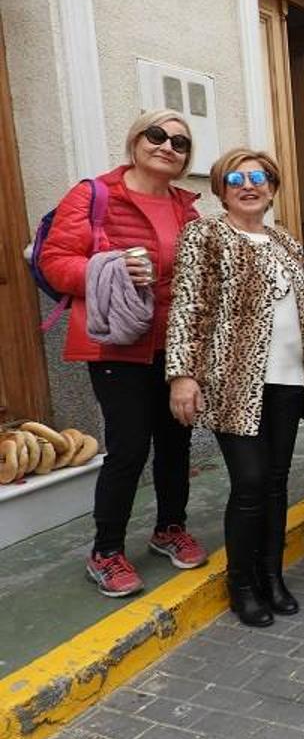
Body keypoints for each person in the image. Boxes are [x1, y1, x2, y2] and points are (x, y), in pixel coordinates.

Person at [167, 148, 304, 626]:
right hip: (235, 383)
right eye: (236, 178)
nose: (248, 185)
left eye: (259, 178)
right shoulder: (206, 233)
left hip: (288, 380)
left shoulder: (284, 241)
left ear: (272, 187)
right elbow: (189, 306)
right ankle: (242, 584)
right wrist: (183, 375)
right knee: (249, 483)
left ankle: (272, 577)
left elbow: (301, 309)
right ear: (221, 187)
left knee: (274, 483)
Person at [40, 109, 207, 598]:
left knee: (176, 442)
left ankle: (169, 529)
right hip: (116, 342)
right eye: (157, 135)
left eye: (179, 142)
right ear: (136, 140)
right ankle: (106, 551)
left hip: (172, 345)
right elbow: (54, 261)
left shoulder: (185, 207)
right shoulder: (94, 194)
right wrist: (107, 268)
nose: (167, 146)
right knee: (130, 446)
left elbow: (196, 277)